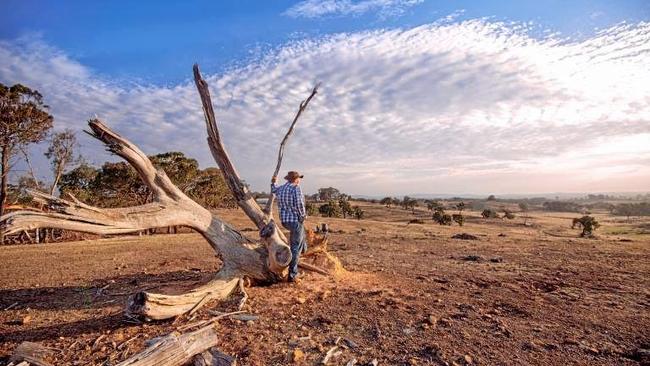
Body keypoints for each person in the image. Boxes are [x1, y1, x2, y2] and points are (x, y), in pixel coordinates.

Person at [271, 171, 307, 283]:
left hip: (285, 221)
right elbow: (300, 204)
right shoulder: (296, 188)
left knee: (300, 237)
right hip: (295, 221)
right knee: (295, 247)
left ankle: (304, 249)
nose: (299, 180)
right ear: (295, 179)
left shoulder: (281, 188)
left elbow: (273, 189)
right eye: (299, 178)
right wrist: (303, 216)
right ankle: (292, 275)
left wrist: (273, 182)